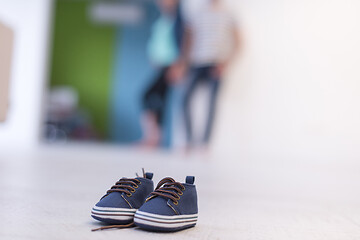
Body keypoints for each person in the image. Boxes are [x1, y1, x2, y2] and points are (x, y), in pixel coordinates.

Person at [175, 0, 241, 151]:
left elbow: (238, 41)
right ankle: (188, 141)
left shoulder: (229, 13)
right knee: (185, 99)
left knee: (212, 104)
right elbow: (188, 39)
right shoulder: (197, 11)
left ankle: (205, 144)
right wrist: (183, 63)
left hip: (216, 63)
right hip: (197, 62)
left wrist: (226, 63)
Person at [141, 0, 184, 147]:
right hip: (160, 65)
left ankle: (153, 136)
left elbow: (181, 43)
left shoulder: (178, 19)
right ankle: (154, 137)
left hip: (169, 65)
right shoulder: (162, 19)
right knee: (159, 100)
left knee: (147, 95)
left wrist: (178, 65)